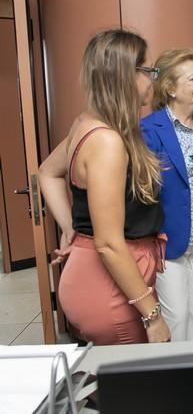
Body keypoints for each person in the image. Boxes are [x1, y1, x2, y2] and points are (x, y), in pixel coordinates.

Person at [38, 29, 170, 345]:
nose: (152, 80)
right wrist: (153, 317)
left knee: (117, 387)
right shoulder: (107, 141)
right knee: (135, 389)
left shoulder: (88, 123)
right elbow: (109, 244)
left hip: (97, 278)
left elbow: (47, 173)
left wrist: (72, 228)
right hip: (109, 288)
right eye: (148, 71)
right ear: (127, 76)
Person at [141, 49, 193, 341]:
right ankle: (174, 382)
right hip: (170, 242)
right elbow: (143, 190)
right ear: (171, 89)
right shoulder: (150, 129)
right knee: (175, 319)